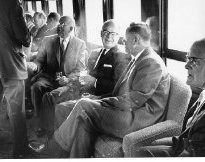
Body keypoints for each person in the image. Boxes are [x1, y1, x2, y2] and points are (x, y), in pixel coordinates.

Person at [30, 22, 170, 158]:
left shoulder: (150, 62)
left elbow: (133, 100)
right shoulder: (139, 59)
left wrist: (100, 101)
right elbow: (121, 93)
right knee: (83, 122)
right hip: (130, 111)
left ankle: (53, 148)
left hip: (138, 119)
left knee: (83, 105)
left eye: (125, 39)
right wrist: (97, 99)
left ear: (135, 39)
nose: (123, 42)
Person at [41, 19, 131, 134]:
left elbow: (117, 87)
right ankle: (47, 133)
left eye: (113, 34)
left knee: (61, 107)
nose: (109, 36)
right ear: (101, 33)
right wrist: (68, 85)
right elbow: (84, 74)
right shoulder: (95, 52)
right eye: (106, 32)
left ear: (119, 36)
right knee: (49, 96)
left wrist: (95, 81)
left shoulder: (121, 57)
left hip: (96, 95)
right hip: (80, 88)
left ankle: (55, 142)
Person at [132, 37, 205, 157]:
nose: (186, 65)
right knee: (138, 152)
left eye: (193, 60)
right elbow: (188, 137)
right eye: (187, 58)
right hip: (186, 147)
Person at [0, 0, 31, 158]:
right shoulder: (11, 3)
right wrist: (29, 33)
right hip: (10, 65)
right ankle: (21, 153)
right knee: (17, 112)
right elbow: (24, 38)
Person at [30, 16, 86, 121]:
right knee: (35, 88)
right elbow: (40, 60)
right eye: (59, 24)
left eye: (63, 25)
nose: (59, 27)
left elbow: (80, 68)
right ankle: (40, 121)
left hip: (67, 80)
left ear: (71, 29)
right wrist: (35, 66)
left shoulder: (80, 44)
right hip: (48, 78)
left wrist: (68, 79)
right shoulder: (47, 40)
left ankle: (55, 123)